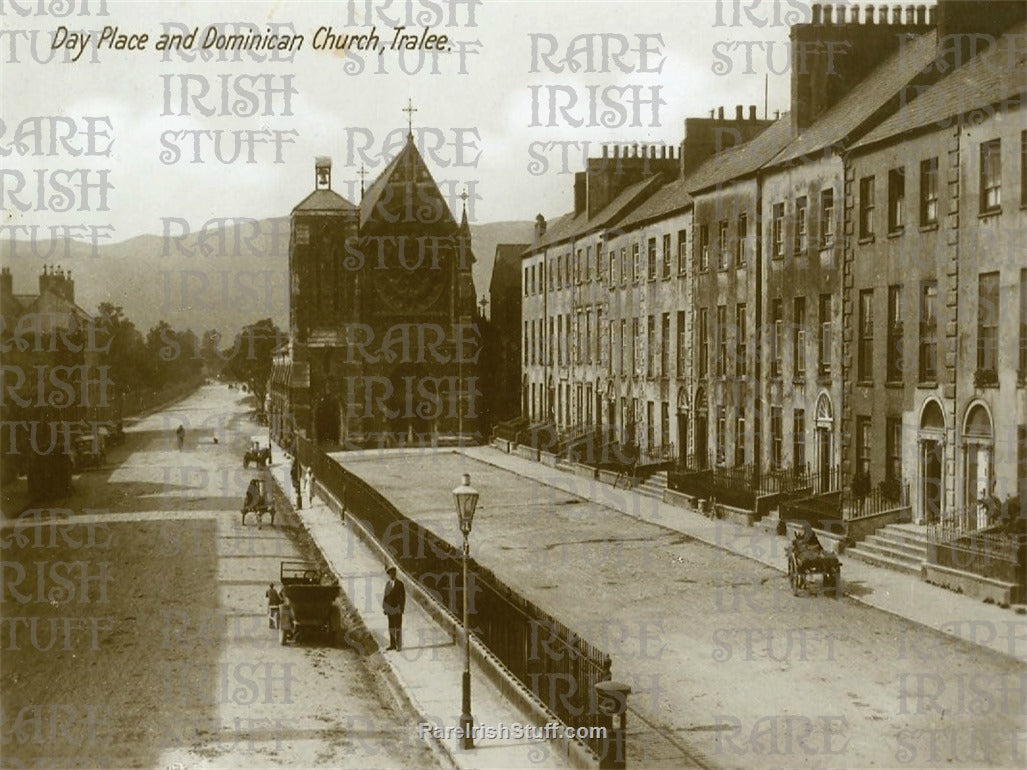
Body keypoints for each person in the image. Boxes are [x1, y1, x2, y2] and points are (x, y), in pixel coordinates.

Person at [382, 566, 406, 651]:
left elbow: (403, 597)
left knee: (398, 627)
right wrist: (384, 607)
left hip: (397, 609)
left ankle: (399, 645)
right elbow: (385, 596)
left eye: (392, 574)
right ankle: (392, 644)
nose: (391, 575)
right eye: (390, 574)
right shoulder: (388, 584)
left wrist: (401, 608)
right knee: (391, 627)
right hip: (389, 609)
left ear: (395, 574)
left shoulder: (400, 584)